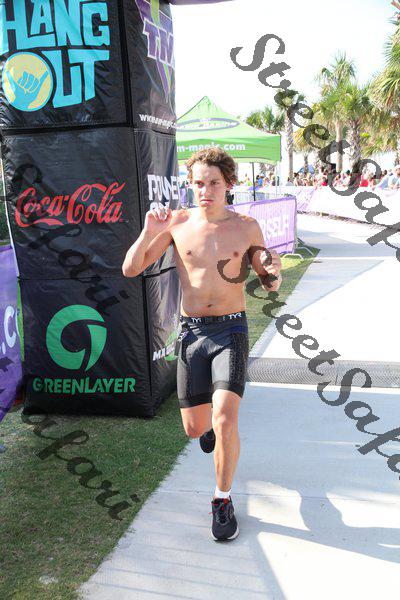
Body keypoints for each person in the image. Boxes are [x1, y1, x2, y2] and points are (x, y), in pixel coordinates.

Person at [122, 148, 282, 542]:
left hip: (231, 331)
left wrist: (273, 273)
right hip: (192, 333)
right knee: (196, 429)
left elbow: (268, 280)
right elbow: (131, 268)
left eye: (213, 183)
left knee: (226, 417)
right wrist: (148, 231)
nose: (205, 190)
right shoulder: (177, 223)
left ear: (229, 184)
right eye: (198, 183)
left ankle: (222, 499)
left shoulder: (247, 227)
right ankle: (207, 428)